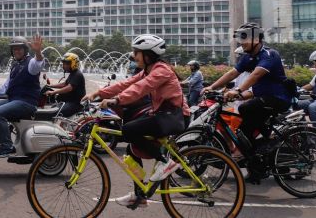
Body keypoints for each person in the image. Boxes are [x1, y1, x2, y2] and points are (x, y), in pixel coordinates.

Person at [82, 34, 186, 208]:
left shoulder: (162, 70)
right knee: (132, 150)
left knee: (128, 130)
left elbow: (141, 88)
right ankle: (140, 195)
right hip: (162, 116)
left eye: (137, 52)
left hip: (174, 116)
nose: (133, 55)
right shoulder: (148, 70)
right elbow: (126, 83)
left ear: (148, 55)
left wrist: (117, 100)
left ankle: (164, 162)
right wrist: (98, 93)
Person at [202, 23, 291, 152]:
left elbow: (256, 75)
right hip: (263, 99)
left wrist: (238, 90)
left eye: (244, 38)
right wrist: (211, 87)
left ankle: (267, 143)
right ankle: (260, 154)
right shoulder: (248, 57)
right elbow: (232, 73)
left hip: (278, 97)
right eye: (240, 39)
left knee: (245, 110)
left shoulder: (269, 54)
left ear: (256, 40)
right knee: (244, 128)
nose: (241, 43)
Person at [0, 35, 44, 157]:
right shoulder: (16, 65)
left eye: (19, 49)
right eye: (14, 49)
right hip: (15, 100)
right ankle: (1, 137)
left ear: (25, 50)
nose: (16, 51)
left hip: (26, 103)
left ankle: (7, 147)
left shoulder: (30, 63)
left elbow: (38, 64)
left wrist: (38, 51)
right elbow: (6, 86)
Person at [44, 52, 86, 117]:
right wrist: (51, 85)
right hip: (69, 101)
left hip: (75, 104)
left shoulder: (77, 74)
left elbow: (69, 88)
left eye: (67, 63)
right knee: (53, 107)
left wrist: (53, 92)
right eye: (64, 63)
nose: (64, 65)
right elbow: (64, 84)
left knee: (56, 112)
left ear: (73, 64)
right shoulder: (73, 73)